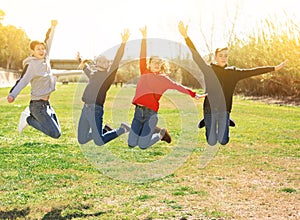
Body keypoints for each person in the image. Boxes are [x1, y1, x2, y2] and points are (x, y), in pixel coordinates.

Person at [178, 21, 287, 146]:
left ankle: (226, 120)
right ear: (215, 57)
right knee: (212, 142)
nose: (223, 58)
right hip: (210, 109)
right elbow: (196, 56)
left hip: (225, 109)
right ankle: (207, 121)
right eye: (221, 55)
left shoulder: (234, 73)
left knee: (223, 141)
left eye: (226, 56)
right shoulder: (208, 70)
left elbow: (253, 71)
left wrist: (274, 68)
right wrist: (186, 37)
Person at [127, 26, 207, 150]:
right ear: (149, 63)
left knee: (142, 145)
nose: (157, 64)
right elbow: (142, 55)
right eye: (154, 62)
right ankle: (151, 130)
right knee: (131, 144)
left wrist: (194, 94)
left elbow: (177, 86)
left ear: (162, 65)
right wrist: (144, 37)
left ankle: (160, 134)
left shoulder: (164, 79)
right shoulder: (144, 71)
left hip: (151, 115)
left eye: (159, 62)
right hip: (138, 113)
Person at [7, 20, 61, 139]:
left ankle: (32, 118)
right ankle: (29, 119)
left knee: (59, 132)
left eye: (43, 48)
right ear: (32, 51)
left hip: (47, 105)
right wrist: (12, 94)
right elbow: (23, 80)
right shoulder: (31, 66)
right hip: (37, 106)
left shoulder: (45, 58)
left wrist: (53, 26)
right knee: (55, 134)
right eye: (38, 49)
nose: (41, 51)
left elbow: (49, 40)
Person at [77, 29, 131, 146]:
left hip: (95, 110)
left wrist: (123, 43)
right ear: (96, 63)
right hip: (85, 109)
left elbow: (117, 60)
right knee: (82, 139)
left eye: (104, 61)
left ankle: (122, 129)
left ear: (108, 65)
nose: (101, 62)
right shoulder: (92, 74)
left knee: (99, 141)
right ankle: (105, 130)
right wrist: (80, 60)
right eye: (99, 60)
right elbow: (86, 68)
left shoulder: (108, 77)